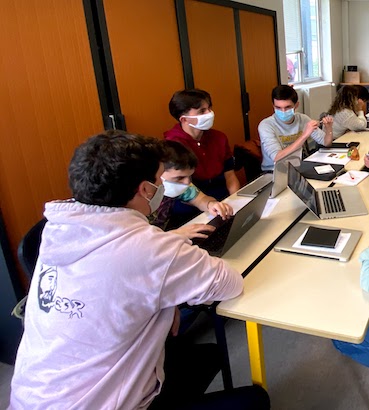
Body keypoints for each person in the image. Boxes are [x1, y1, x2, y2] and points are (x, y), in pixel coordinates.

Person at [9, 130, 270, 410]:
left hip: (31, 398)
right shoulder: (150, 248)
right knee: (255, 401)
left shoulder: (57, 229)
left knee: (199, 357)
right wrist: (169, 264)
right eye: (160, 180)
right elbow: (228, 283)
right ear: (146, 189)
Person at [164, 89, 240, 202]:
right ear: (184, 119)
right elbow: (183, 187)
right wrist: (210, 204)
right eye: (202, 111)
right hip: (192, 201)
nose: (209, 113)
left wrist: (236, 200)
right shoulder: (173, 145)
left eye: (209, 108)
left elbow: (229, 174)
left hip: (222, 194)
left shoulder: (219, 137)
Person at [150, 140, 233, 237]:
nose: (187, 182)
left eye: (189, 176)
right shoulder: (136, 198)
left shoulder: (179, 185)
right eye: (179, 178)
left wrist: (212, 204)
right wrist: (175, 234)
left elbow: (200, 199)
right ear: (156, 173)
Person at [258, 84, 334, 172]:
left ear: (296, 105)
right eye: (278, 107)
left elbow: (326, 143)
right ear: (273, 106)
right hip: (273, 171)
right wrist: (304, 135)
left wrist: (329, 129)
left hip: (297, 167)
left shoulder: (303, 119)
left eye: (287, 107)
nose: (283, 111)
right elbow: (276, 157)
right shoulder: (266, 125)